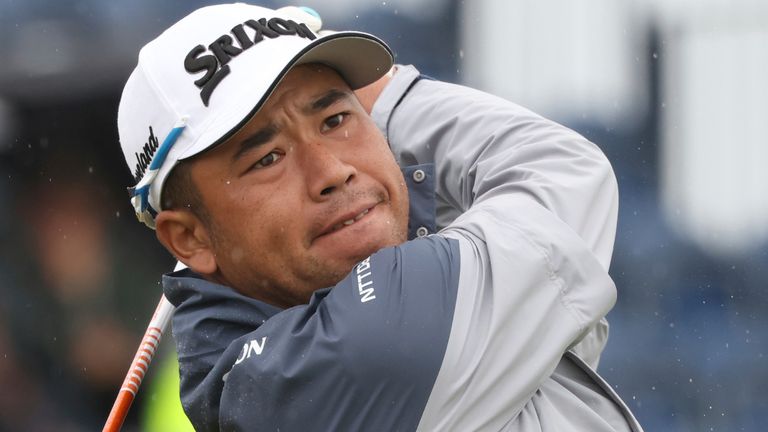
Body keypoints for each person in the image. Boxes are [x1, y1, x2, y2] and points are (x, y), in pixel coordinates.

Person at [117, 3, 643, 431]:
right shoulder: (351, 358)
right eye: (268, 158)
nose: (332, 170)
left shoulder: (253, 385)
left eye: (336, 118)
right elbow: (561, 168)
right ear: (189, 238)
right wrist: (389, 98)